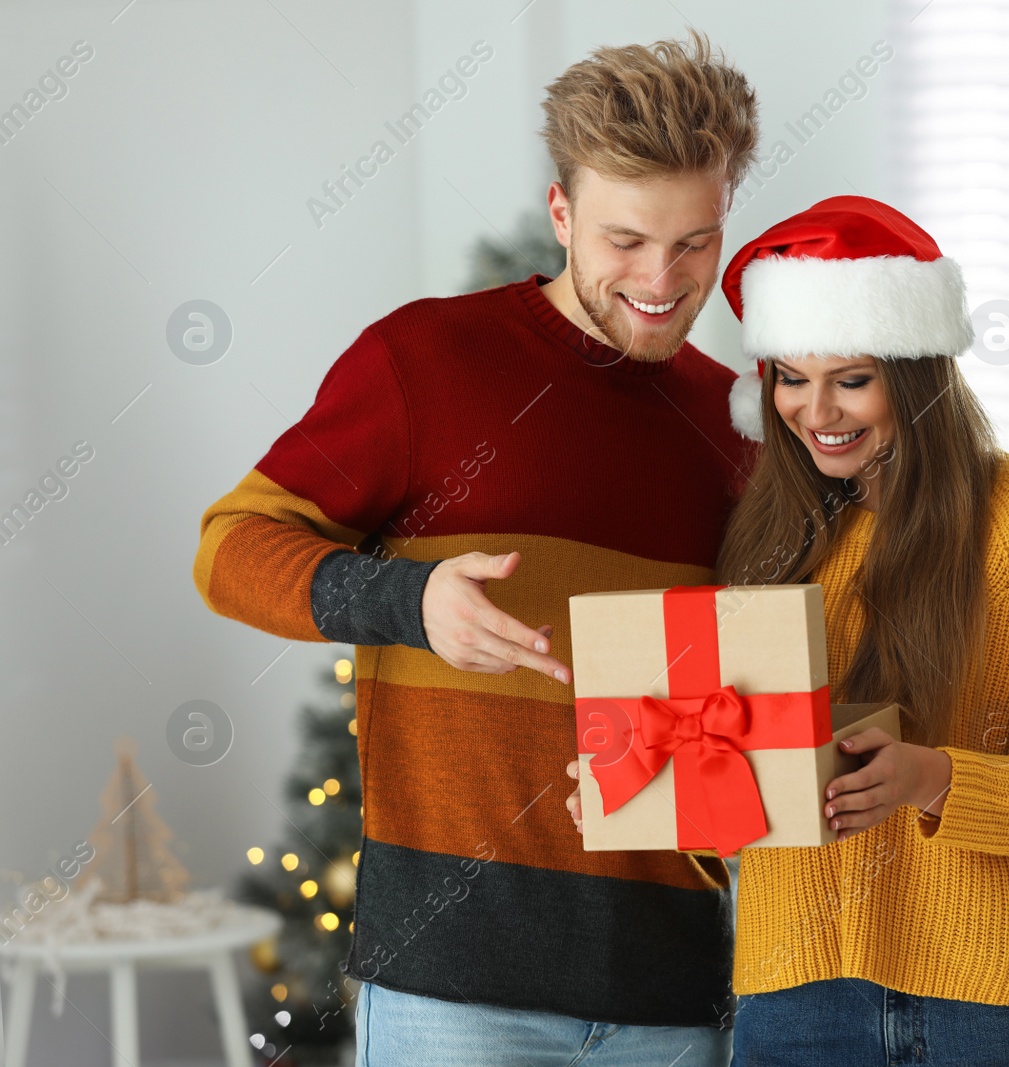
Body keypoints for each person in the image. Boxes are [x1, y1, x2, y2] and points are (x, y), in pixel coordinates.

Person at [193, 33, 758, 1066]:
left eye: (693, 243)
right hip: (453, 994)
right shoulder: (423, 360)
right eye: (625, 239)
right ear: (561, 214)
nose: (661, 279)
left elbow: (731, 709)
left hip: (672, 995)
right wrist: (412, 603)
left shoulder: (731, 427)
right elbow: (229, 549)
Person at [719, 196, 1009, 1066]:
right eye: (789, 376)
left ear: (917, 374)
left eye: (851, 378)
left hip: (998, 995)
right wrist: (651, 786)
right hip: (798, 992)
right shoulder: (770, 537)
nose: (814, 408)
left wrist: (932, 777)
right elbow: (740, 771)